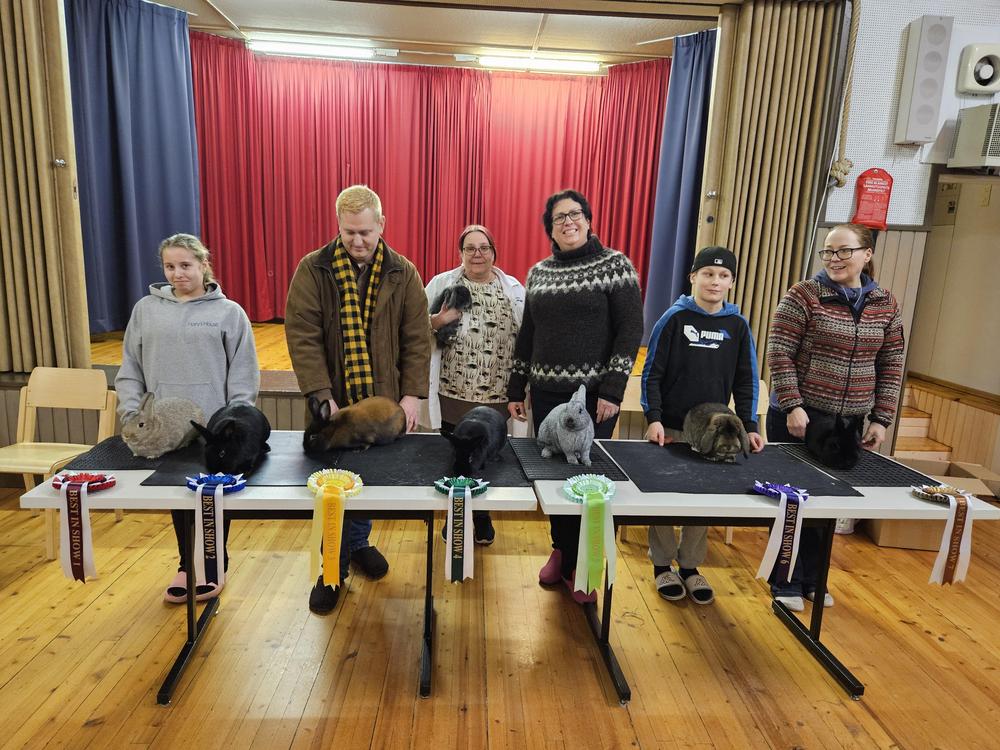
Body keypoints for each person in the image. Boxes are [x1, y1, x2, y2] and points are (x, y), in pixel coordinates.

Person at [285, 184, 431, 614]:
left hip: (381, 404)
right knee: (331, 486)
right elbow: (303, 335)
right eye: (349, 232)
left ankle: (359, 543)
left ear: (381, 224)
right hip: (332, 401)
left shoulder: (404, 273)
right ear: (339, 225)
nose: (358, 241)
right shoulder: (313, 269)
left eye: (365, 232)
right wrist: (321, 394)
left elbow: (417, 337)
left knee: (369, 480)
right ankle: (332, 568)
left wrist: (412, 395)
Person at [507, 189, 643, 604]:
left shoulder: (615, 266)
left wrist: (613, 389)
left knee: (586, 478)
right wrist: (516, 386)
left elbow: (630, 331)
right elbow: (528, 334)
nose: (568, 222)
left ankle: (583, 565)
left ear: (588, 219)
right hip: (547, 394)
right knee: (553, 476)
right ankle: (561, 551)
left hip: (594, 398)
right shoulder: (539, 273)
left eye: (575, 214)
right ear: (549, 228)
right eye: (559, 217)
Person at [767, 222, 904, 612]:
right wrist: (792, 404)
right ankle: (786, 581)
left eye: (844, 251)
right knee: (794, 502)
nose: (834, 258)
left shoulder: (885, 303)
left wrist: (881, 418)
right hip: (800, 416)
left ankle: (814, 578)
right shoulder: (804, 295)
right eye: (828, 251)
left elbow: (892, 361)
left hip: (849, 422)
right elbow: (779, 351)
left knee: (827, 502)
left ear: (867, 254)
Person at [115, 233, 259, 604]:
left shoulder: (229, 313)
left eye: (185, 265)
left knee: (213, 496)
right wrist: (131, 414)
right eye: (170, 266)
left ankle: (215, 564)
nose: (177, 273)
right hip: (165, 431)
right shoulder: (146, 310)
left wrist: (236, 421)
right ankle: (185, 565)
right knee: (180, 498)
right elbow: (130, 368)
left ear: (203, 265)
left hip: (213, 429)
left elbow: (243, 373)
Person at [641, 247, 765, 605]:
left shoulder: (738, 326)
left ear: (732, 282)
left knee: (703, 499)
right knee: (665, 498)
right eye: (708, 273)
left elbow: (746, 379)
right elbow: (652, 373)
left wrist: (750, 425)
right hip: (671, 428)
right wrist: (654, 418)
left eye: (723, 276)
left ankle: (691, 566)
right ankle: (661, 564)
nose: (715, 281)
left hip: (714, 434)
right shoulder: (674, 318)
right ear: (693, 277)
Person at [425, 224, 526, 545]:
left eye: (484, 247)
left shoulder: (514, 289)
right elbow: (414, 327)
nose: (477, 254)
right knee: (456, 460)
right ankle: (455, 517)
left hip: (498, 397)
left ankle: (481, 517)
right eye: (470, 248)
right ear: (461, 253)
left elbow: (526, 338)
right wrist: (437, 321)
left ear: (494, 252)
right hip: (452, 393)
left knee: (486, 461)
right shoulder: (442, 284)